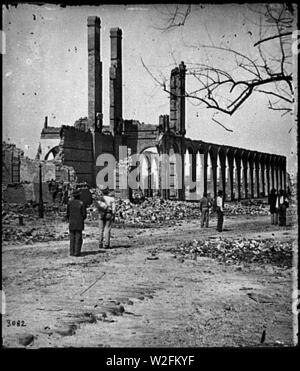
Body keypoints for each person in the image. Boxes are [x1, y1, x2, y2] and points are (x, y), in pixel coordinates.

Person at [66, 189, 87, 257]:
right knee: (78, 237)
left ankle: (71, 251)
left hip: (71, 221)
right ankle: (77, 252)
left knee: (72, 237)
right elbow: (84, 214)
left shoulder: (69, 203)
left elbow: (67, 214)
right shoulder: (82, 203)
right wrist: (81, 218)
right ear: (79, 195)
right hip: (79, 221)